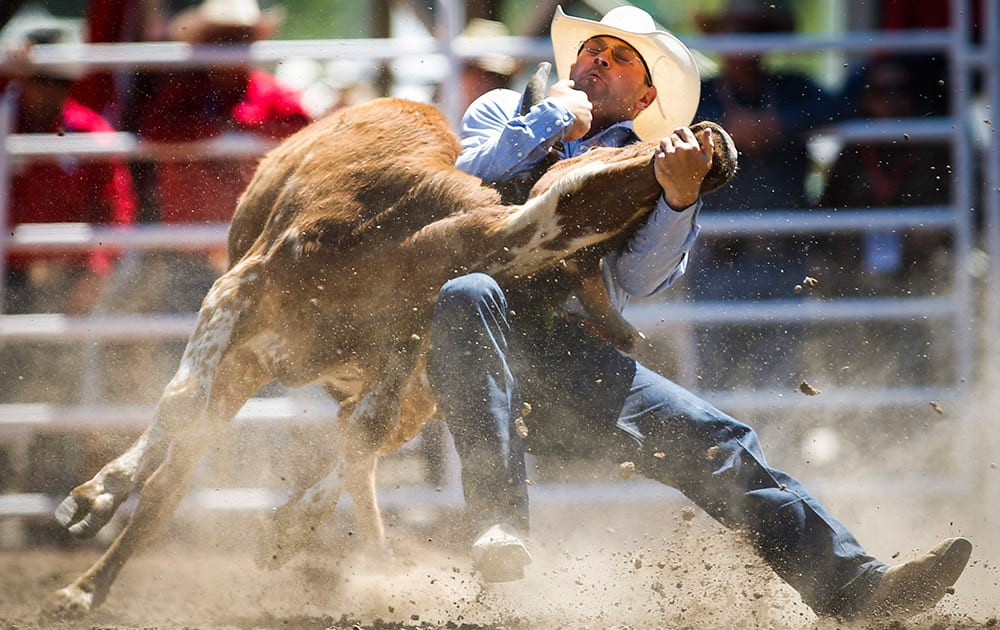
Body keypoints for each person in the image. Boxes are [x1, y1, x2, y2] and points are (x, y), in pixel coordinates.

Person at [424, 5, 971, 621]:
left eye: (621, 56)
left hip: (564, 347)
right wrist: (554, 117)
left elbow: (637, 280)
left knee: (719, 443)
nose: (599, 59)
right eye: (591, 51)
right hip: (470, 328)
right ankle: (498, 520)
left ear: (645, 95)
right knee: (469, 291)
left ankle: (858, 591)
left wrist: (679, 196)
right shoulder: (507, 112)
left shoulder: (654, 165)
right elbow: (462, 183)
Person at [100, 0, 310, 402]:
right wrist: (227, 131)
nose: (232, 48)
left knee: (257, 359)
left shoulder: (265, 92)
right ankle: (192, 448)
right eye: (223, 39)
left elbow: (302, 128)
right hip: (195, 254)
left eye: (240, 39)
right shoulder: (185, 95)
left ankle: (255, 450)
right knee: (183, 354)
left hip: (253, 253)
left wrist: (229, 131)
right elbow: (155, 132)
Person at [0, 8, 137, 529]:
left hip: (63, 283)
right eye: (38, 77)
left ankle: (42, 511)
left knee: (57, 396)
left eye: (57, 79)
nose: (47, 89)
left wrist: (95, 271)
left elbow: (116, 213)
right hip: (12, 279)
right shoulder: (6, 119)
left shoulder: (89, 130)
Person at [688, 0, 837, 390]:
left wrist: (777, 125)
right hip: (719, 257)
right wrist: (728, 130)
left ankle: (774, 449)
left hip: (783, 258)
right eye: (733, 29)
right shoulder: (700, 96)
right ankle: (719, 451)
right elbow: (672, 124)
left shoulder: (791, 91)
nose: (741, 39)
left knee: (779, 379)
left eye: (751, 29)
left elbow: (840, 105)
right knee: (714, 378)